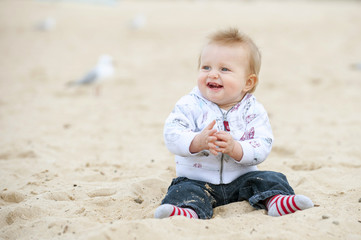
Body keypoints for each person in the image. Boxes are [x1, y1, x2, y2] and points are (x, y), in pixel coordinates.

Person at [155, 28, 313, 219]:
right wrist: (197, 141)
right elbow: (172, 134)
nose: (212, 74)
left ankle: (277, 201)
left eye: (224, 69)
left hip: (241, 179)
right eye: (206, 67)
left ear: (248, 82)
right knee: (182, 190)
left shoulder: (253, 110)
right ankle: (187, 211)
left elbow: (263, 143)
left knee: (271, 179)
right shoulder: (189, 104)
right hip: (197, 180)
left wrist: (236, 148)